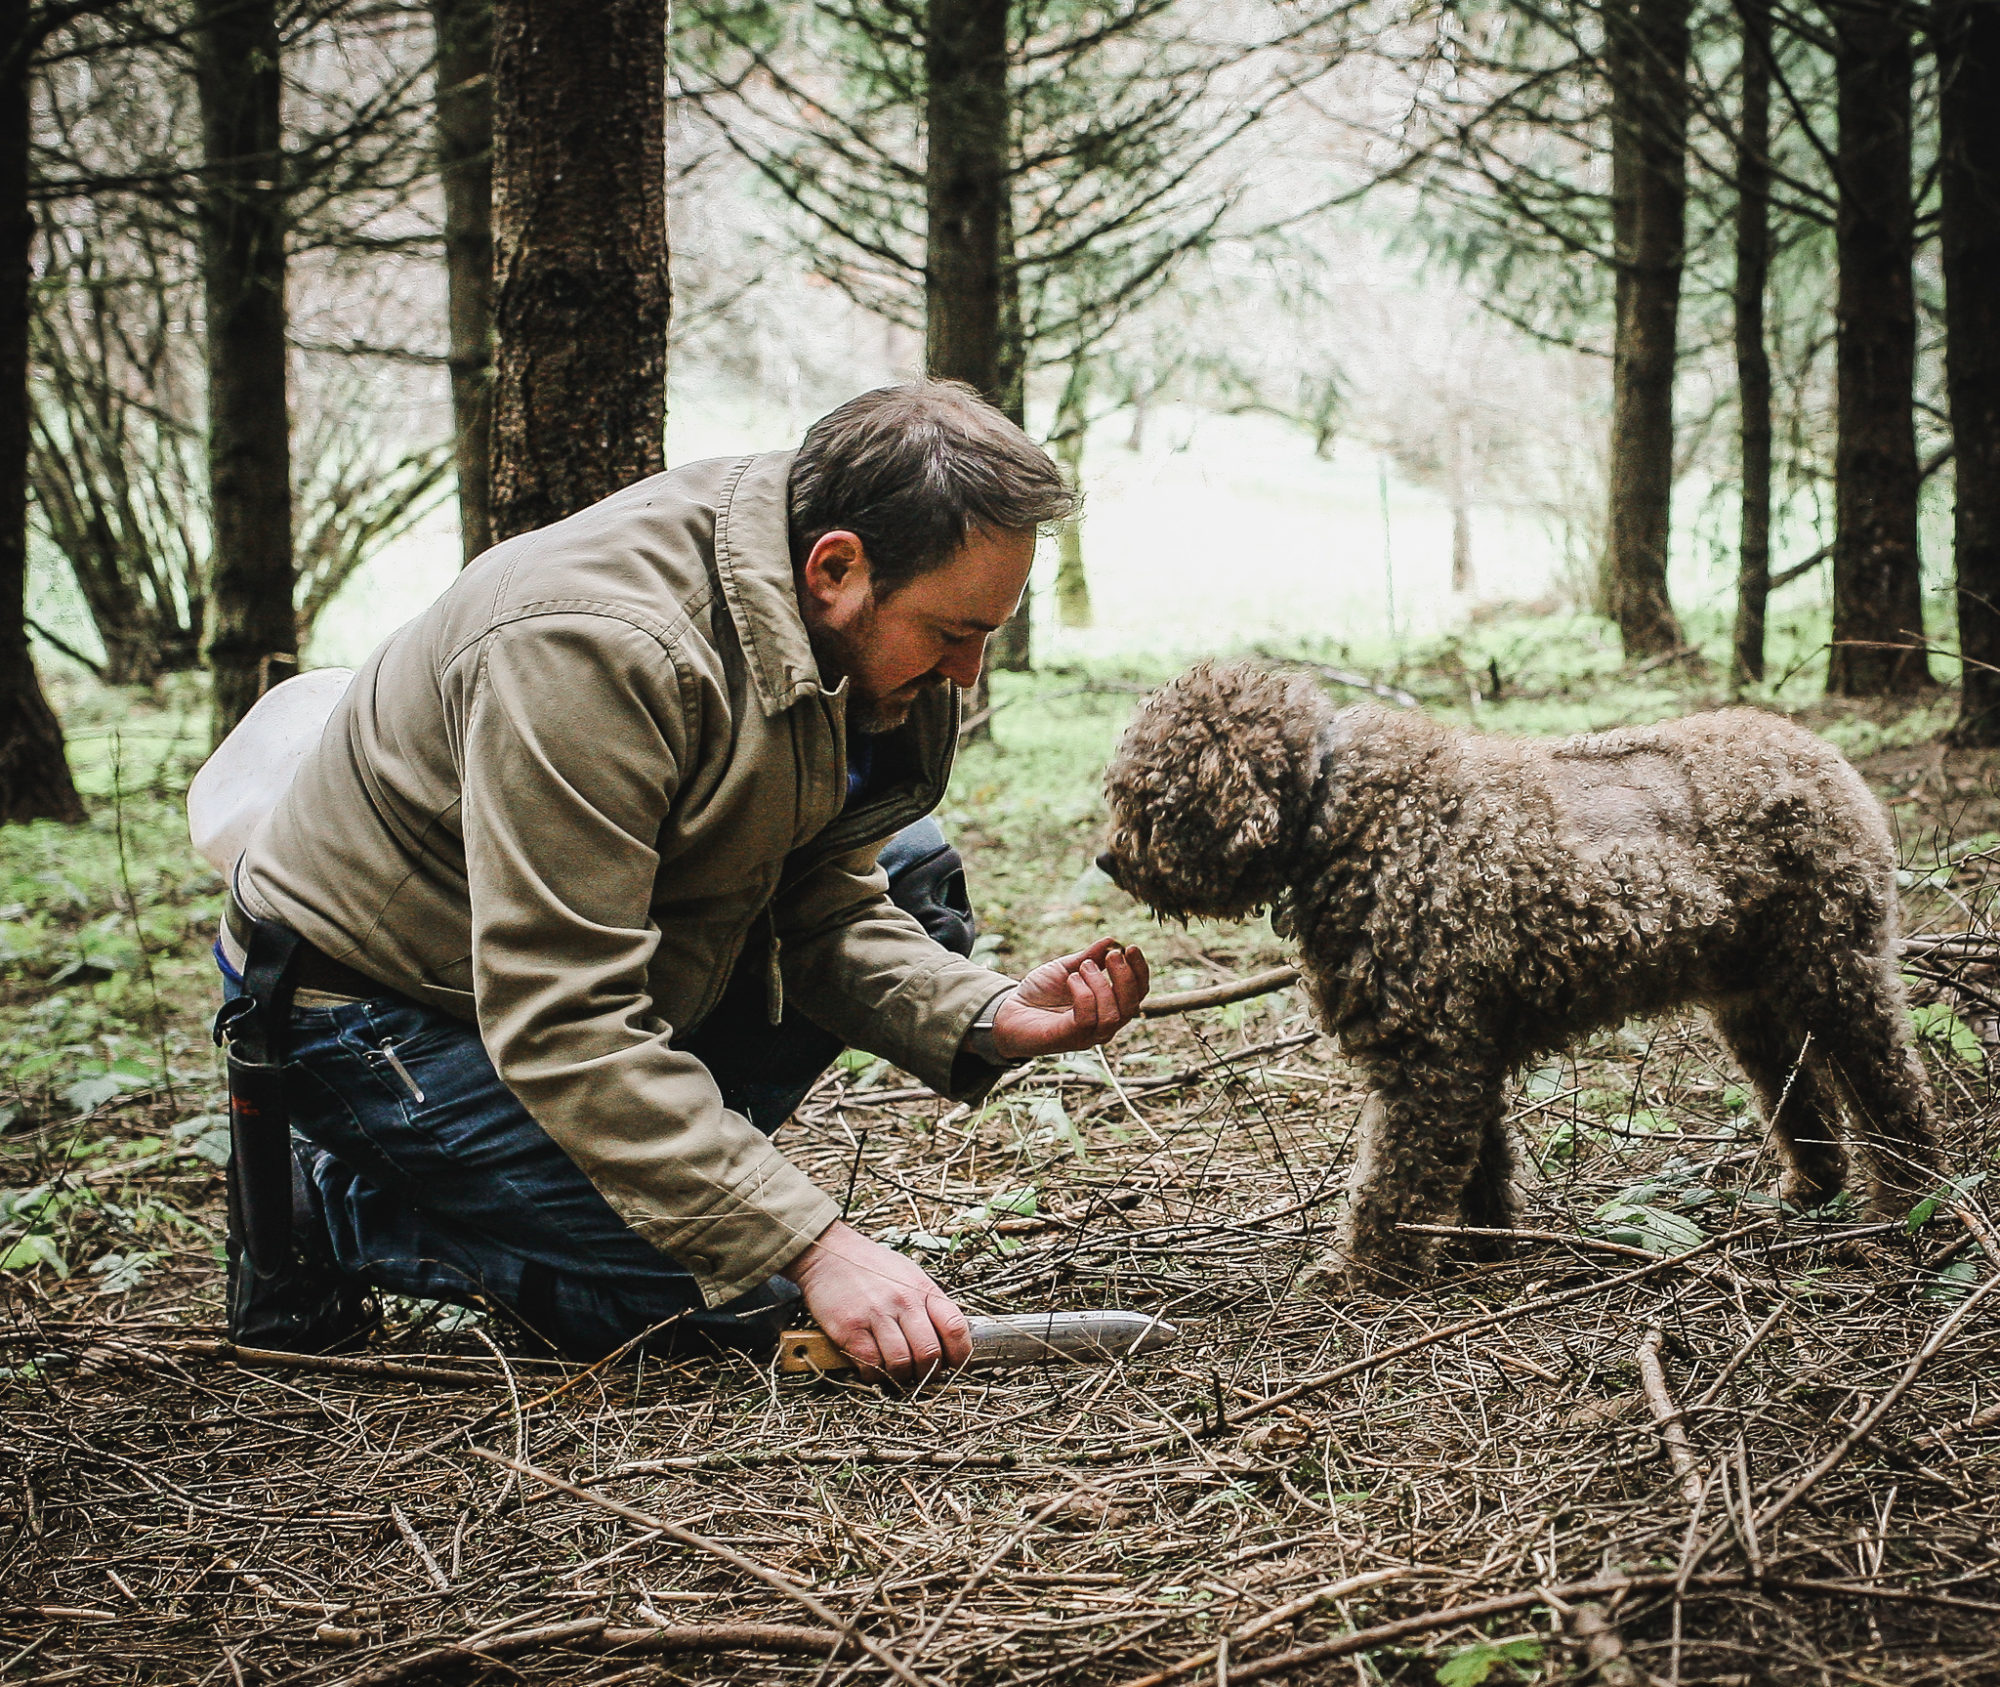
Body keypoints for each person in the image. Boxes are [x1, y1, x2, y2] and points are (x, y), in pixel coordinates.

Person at [213, 381, 1149, 1383]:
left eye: (986, 637)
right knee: (717, 1298)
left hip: (553, 972)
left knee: (914, 874)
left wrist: (985, 1014)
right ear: (836, 566)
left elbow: (815, 894)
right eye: (949, 632)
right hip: (368, 1006)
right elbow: (565, 1017)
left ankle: (608, 1182)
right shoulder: (591, 649)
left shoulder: (819, 610)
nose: (965, 675)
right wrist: (807, 1243)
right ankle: (341, 1199)